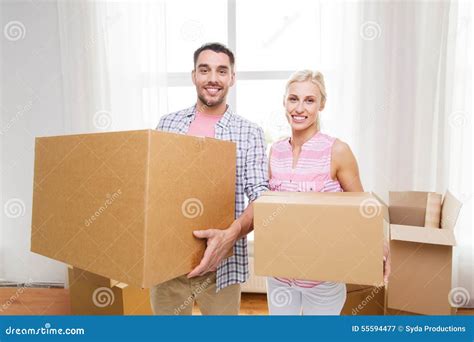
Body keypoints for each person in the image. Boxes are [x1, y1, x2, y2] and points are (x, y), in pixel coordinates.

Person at [150, 42, 268, 315]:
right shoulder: (168, 124)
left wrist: (231, 234)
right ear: (194, 76)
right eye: (204, 70)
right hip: (168, 265)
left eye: (221, 71)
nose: (213, 78)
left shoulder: (249, 132)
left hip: (221, 267)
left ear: (232, 78)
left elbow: (260, 196)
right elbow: (153, 189)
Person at [266, 69, 391, 315]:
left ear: (321, 104)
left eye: (309, 100)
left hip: (322, 278)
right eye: (293, 99)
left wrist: (381, 243)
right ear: (284, 102)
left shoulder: (337, 150)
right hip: (280, 276)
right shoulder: (276, 151)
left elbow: (361, 206)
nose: (299, 108)